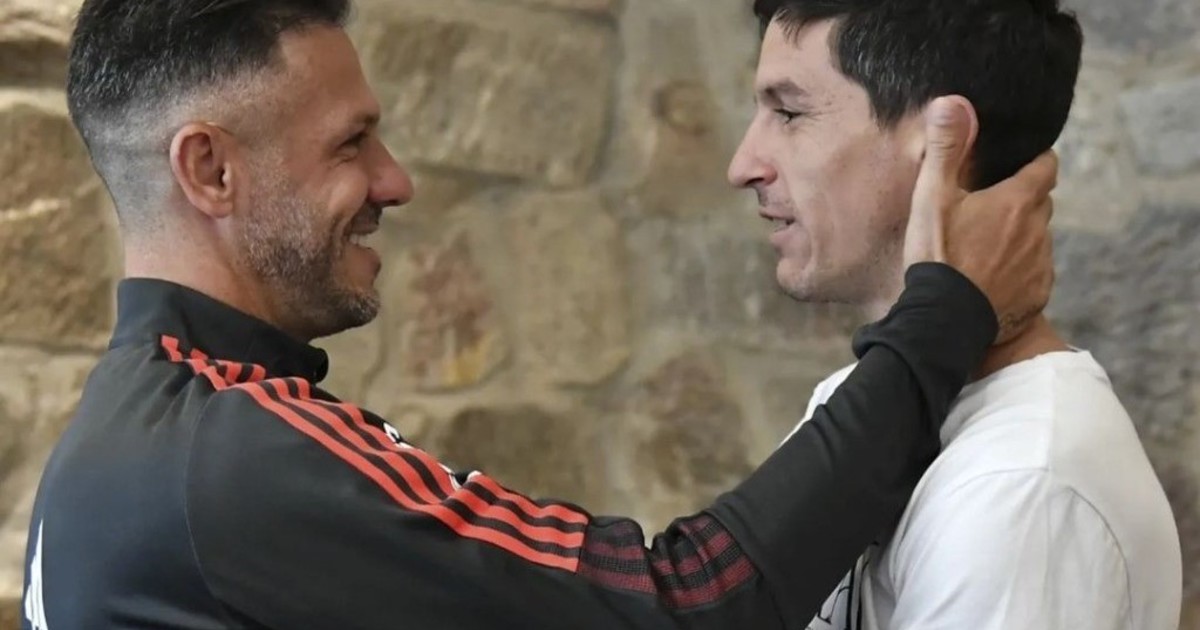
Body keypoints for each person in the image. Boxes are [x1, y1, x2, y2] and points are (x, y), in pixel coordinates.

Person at [21, 0, 1057, 628]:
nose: (395, 182)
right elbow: (689, 606)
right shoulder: (230, 456)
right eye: (350, 144)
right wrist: (942, 317)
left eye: (788, 111)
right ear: (209, 169)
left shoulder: (123, 443)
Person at [729, 1, 1183, 628]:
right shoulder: (851, 403)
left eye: (789, 112)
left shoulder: (1018, 481)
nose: (743, 166)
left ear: (944, 140)